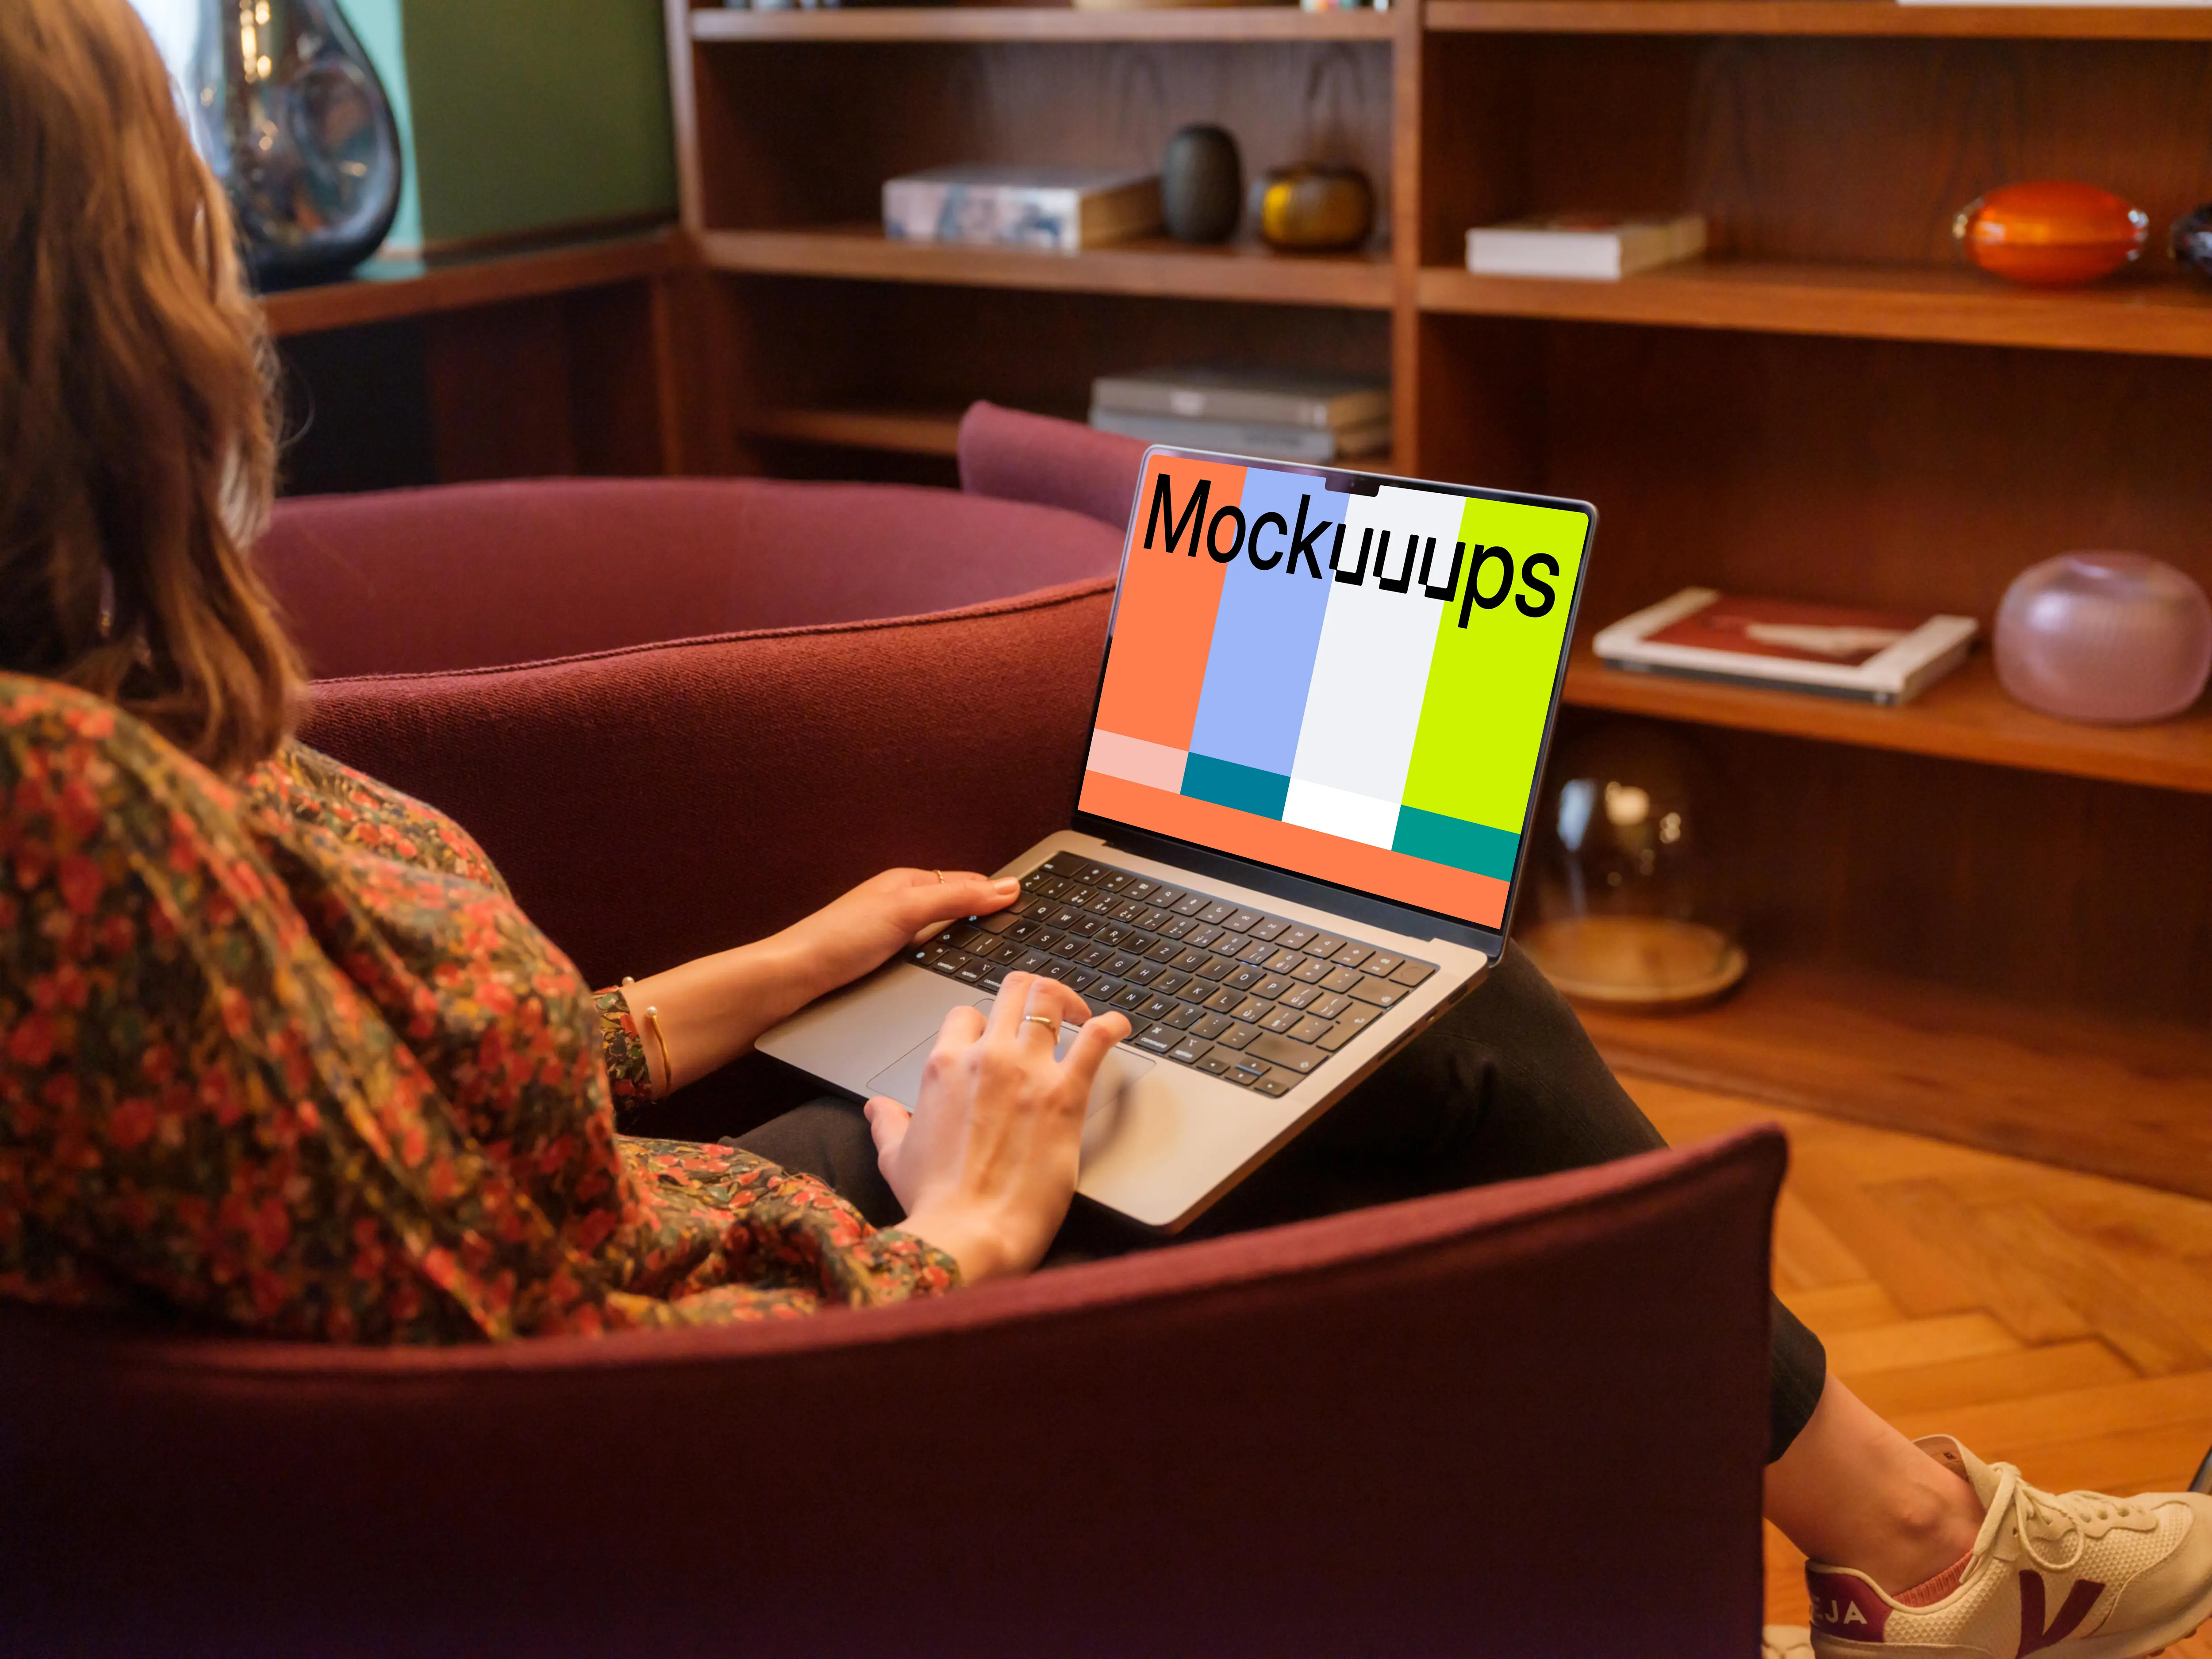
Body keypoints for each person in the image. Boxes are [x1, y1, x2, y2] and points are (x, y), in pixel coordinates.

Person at [0, 3, 2205, 1654]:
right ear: (103, 292)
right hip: (717, 1391)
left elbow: (367, 1126)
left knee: (1332, 1011)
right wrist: (953, 1239)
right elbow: (494, 1416)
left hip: (657, 1235)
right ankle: (1928, 1551)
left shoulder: (86, 724)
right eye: (179, 188)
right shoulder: (61, 814)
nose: (222, 246)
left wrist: (778, 964)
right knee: (1434, 1029)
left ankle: (1893, 1544)